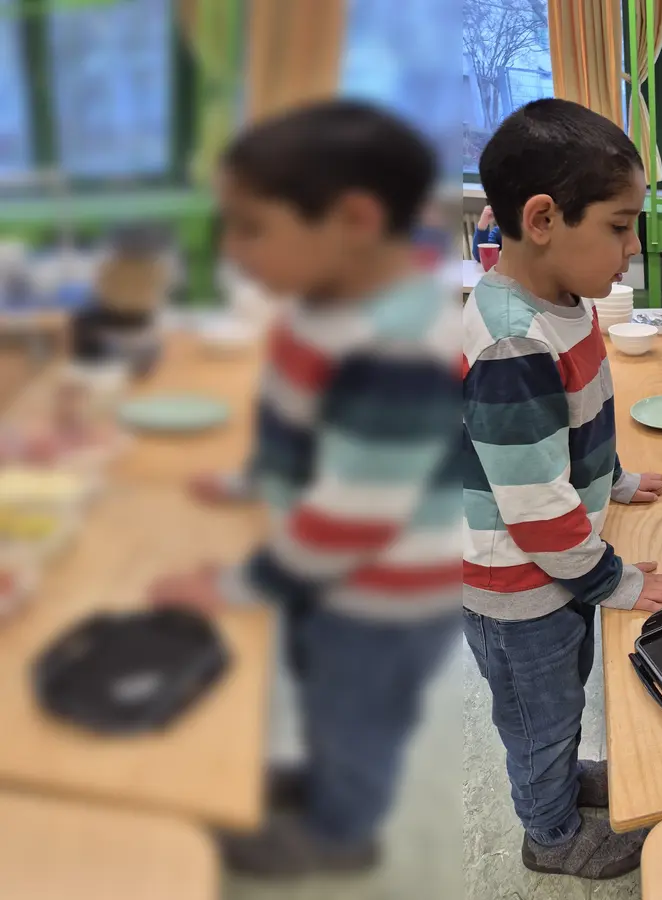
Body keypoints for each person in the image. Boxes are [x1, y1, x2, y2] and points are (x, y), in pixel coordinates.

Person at [152, 101, 462, 876]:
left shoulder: (394, 343)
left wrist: (231, 586)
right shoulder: (325, 303)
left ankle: (340, 830)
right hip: (326, 577)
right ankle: (326, 777)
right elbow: (296, 423)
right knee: (324, 693)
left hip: (382, 593)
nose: (233, 251)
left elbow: (352, 519)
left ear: (354, 218)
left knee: (356, 711)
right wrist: (251, 481)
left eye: (251, 227)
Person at [462, 98, 662, 880]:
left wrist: (616, 480)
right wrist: (617, 582)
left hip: (556, 572)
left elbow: (574, 429)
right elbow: (532, 508)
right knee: (539, 715)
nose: (634, 248)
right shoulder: (512, 340)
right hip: (520, 584)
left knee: (564, 694)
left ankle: (560, 779)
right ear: (543, 218)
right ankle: (551, 835)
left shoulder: (566, 304)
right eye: (621, 226)